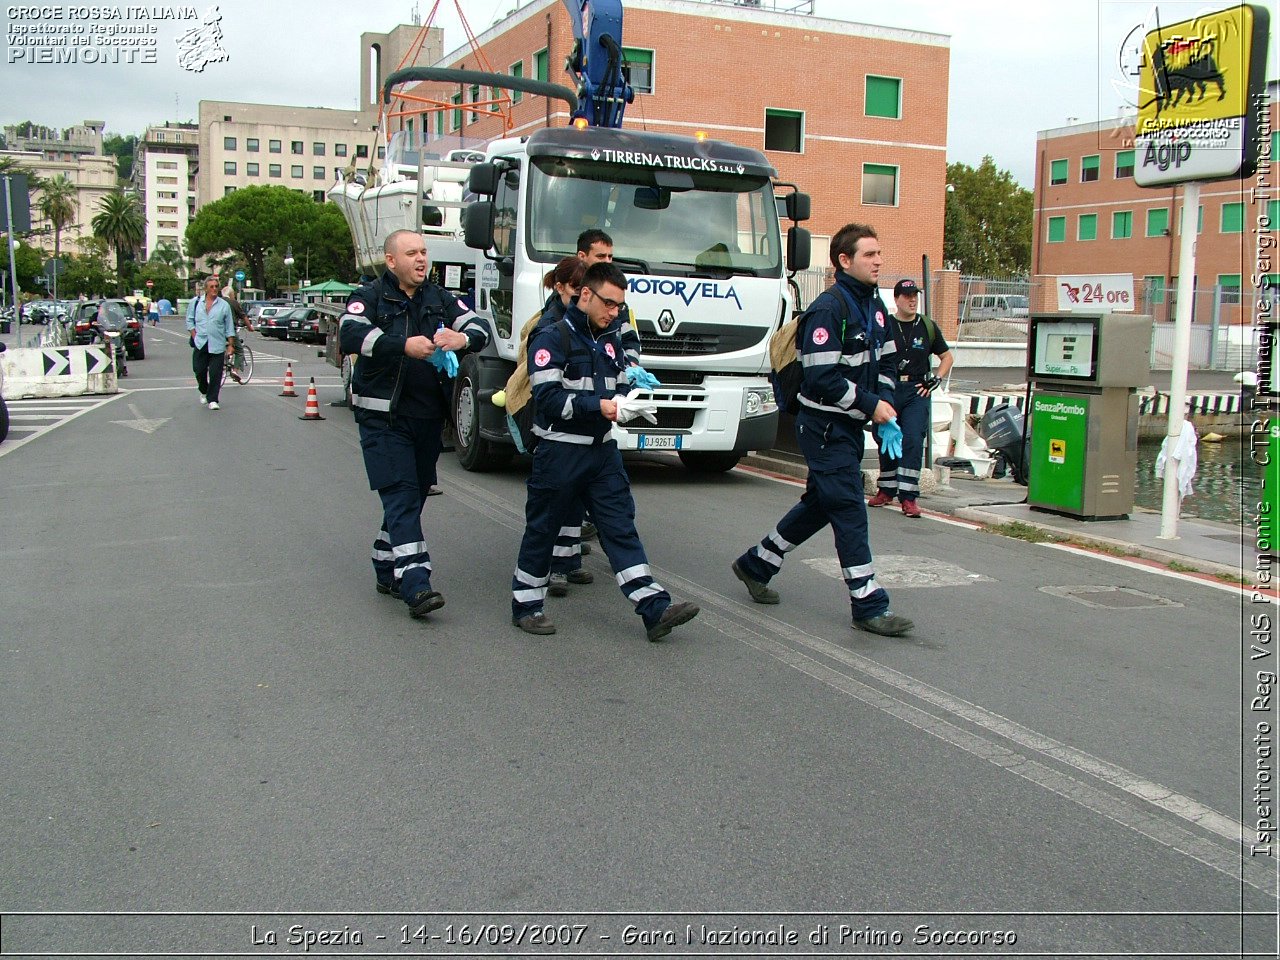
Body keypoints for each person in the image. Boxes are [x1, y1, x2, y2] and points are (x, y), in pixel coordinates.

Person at [729, 223, 914, 637]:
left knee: (821, 503)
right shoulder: (829, 308)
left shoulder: (875, 305)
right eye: (869, 255)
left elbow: (886, 363)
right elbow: (820, 378)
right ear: (843, 261)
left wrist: (882, 404)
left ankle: (757, 563)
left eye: (879, 253)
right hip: (824, 427)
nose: (878, 261)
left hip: (848, 424)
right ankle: (868, 603)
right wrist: (871, 404)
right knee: (848, 507)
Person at [510, 261, 699, 642]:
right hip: (560, 452)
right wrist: (600, 406)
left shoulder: (612, 339)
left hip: (602, 452)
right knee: (543, 529)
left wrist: (630, 400)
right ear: (585, 294)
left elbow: (622, 381)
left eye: (619, 306)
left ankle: (654, 608)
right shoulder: (551, 338)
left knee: (619, 528)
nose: (616, 313)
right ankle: (527, 605)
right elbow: (549, 400)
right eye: (610, 304)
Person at [339, 229, 492, 620]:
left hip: (428, 420)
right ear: (391, 261)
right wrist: (401, 345)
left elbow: (480, 328)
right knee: (402, 494)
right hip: (383, 417)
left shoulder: (439, 297)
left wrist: (462, 338)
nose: (421, 259)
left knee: (415, 493)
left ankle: (383, 563)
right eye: (412, 253)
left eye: (424, 252)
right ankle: (416, 582)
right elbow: (351, 333)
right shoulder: (370, 296)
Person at [867, 278, 954, 518]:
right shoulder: (886, 325)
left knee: (913, 440)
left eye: (915, 295)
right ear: (896, 299)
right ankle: (886, 489)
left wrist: (936, 378)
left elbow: (947, 357)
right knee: (886, 437)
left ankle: (909, 497)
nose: (912, 299)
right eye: (906, 296)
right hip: (890, 388)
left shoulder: (927, 326)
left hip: (917, 390)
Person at [185, 276, 236, 411]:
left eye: (216, 286)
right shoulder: (195, 303)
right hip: (201, 342)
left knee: (215, 373)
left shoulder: (224, 305)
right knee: (199, 370)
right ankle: (204, 390)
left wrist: (231, 345)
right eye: (211, 286)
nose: (214, 289)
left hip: (217, 344)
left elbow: (229, 326)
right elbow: (190, 321)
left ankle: (213, 399)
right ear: (206, 288)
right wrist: (194, 336)